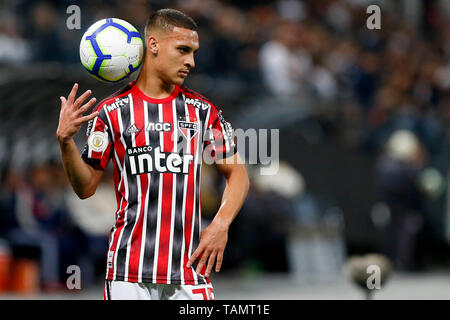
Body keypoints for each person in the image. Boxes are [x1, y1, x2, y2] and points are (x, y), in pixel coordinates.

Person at [56, 8, 249, 300]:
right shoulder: (112, 113)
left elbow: (238, 174)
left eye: (194, 52)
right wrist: (66, 142)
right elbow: (85, 188)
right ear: (154, 45)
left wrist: (221, 223)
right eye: (183, 50)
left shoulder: (202, 112)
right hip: (127, 273)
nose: (191, 62)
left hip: (188, 271)